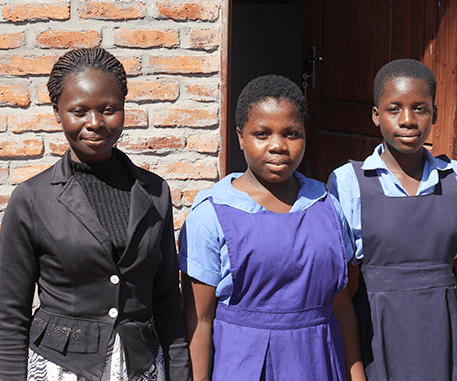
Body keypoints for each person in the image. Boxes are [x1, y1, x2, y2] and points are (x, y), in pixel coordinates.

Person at [0, 47, 191, 381]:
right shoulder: (31, 198)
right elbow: (9, 313)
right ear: (57, 113)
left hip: (141, 366)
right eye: (79, 111)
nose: (95, 123)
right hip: (62, 368)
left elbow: (166, 301)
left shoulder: (155, 192)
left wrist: (179, 372)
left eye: (109, 110)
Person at [179, 74, 366, 381]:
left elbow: (342, 306)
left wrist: (356, 375)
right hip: (244, 367)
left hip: (318, 362)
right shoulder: (211, 213)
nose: (278, 145)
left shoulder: (327, 206)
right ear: (240, 137)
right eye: (262, 134)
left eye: (291, 133)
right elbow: (199, 320)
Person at [328, 58, 457, 381]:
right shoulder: (350, 183)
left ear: (434, 114)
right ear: (376, 115)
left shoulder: (456, 180)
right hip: (377, 341)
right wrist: (355, 372)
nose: (407, 120)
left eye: (420, 109)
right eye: (394, 109)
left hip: (442, 339)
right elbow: (344, 292)